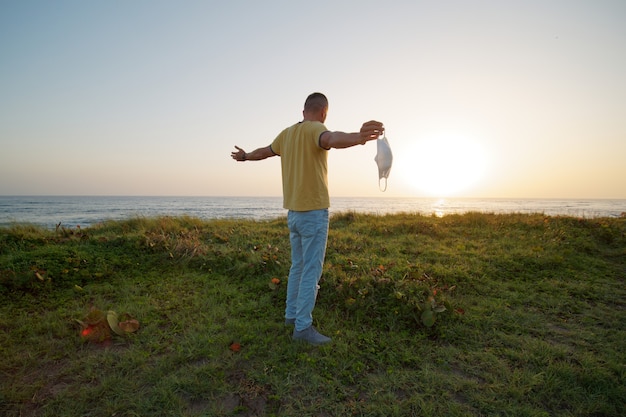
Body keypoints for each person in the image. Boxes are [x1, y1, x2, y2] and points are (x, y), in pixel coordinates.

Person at [231, 92, 384, 345]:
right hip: (313, 214)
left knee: (298, 268)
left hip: (293, 214)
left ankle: (292, 317)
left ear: (304, 111)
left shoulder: (286, 134)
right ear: (324, 112)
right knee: (310, 272)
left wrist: (245, 156)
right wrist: (359, 138)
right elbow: (332, 139)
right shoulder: (317, 129)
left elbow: (265, 152)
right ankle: (302, 328)